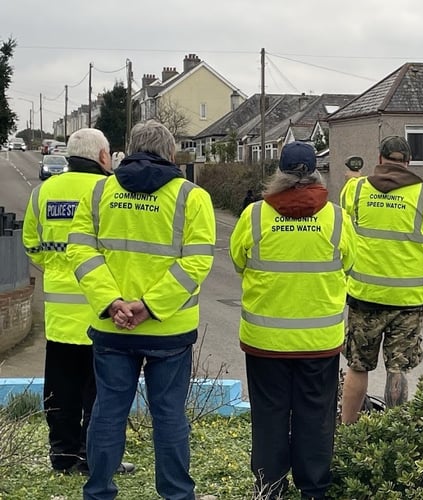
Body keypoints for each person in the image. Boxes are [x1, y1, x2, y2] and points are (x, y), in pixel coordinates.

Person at [66, 120, 216, 500]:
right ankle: (177, 494)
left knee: (108, 412)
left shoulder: (100, 193)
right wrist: (150, 307)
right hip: (169, 330)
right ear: (170, 153)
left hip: (114, 329)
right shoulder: (191, 196)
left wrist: (113, 303)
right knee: (168, 416)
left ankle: (98, 491)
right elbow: (197, 262)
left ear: (128, 149)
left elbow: (81, 251)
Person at [229, 141, 356, 499]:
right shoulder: (337, 218)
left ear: (278, 173)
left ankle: (270, 489)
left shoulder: (255, 215)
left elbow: (239, 262)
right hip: (319, 344)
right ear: (316, 172)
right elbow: (350, 264)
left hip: (265, 342)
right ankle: (314, 489)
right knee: (315, 419)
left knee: (269, 417)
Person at [22, 128, 134, 476]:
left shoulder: (44, 192)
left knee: (60, 389)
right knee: (99, 393)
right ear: (103, 157)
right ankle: (94, 457)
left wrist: (58, 269)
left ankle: (62, 456)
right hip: (102, 312)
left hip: (59, 314)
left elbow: (31, 244)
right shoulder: (109, 191)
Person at [339, 135, 423, 424]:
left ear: (380, 159)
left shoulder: (356, 190)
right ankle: (394, 431)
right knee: (397, 369)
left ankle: (348, 430)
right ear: (409, 162)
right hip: (408, 301)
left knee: (357, 366)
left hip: (364, 297)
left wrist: (354, 177)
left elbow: (344, 211)